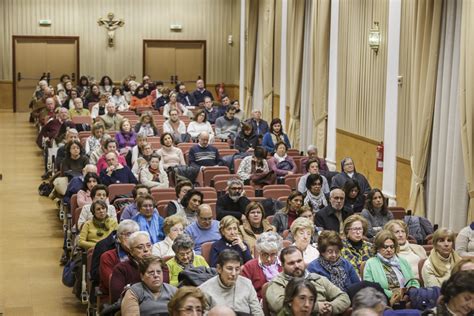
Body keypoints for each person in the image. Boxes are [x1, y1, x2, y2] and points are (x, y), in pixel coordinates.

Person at [266, 246, 351, 315]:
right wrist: (316, 307)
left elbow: (344, 298)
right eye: (291, 263)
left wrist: (330, 307)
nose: (296, 265)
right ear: (283, 265)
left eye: (299, 261)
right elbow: (279, 305)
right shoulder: (277, 283)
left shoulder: (317, 279)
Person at [199, 249, 264, 315]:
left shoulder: (247, 284)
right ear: (219, 269)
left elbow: (257, 312)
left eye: (237, 269)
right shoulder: (204, 290)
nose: (234, 273)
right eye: (229, 269)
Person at [363, 230, 419, 303]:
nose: (389, 250)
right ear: (378, 248)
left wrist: (409, 293)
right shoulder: (371, 263)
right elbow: (370, 288)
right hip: (384, 301)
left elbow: (414, 282)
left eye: (392, 247)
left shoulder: (402, 261)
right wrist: (394, 294)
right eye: (385, 247)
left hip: (408, 298)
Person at [98, 220, 140, 295]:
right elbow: (112, 284)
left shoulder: (143, 255)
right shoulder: (108, 256)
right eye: (128, 234)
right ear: (118, 238)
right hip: (115, 297)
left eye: (135, 235)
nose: (132, 238)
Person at [241, 232, 283, 299]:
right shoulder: (249, 267)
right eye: (265, 254)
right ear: (259, 252)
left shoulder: (284, 263)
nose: (269, 259)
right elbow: (245, 293)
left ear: (278, 252)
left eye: (273, 254)